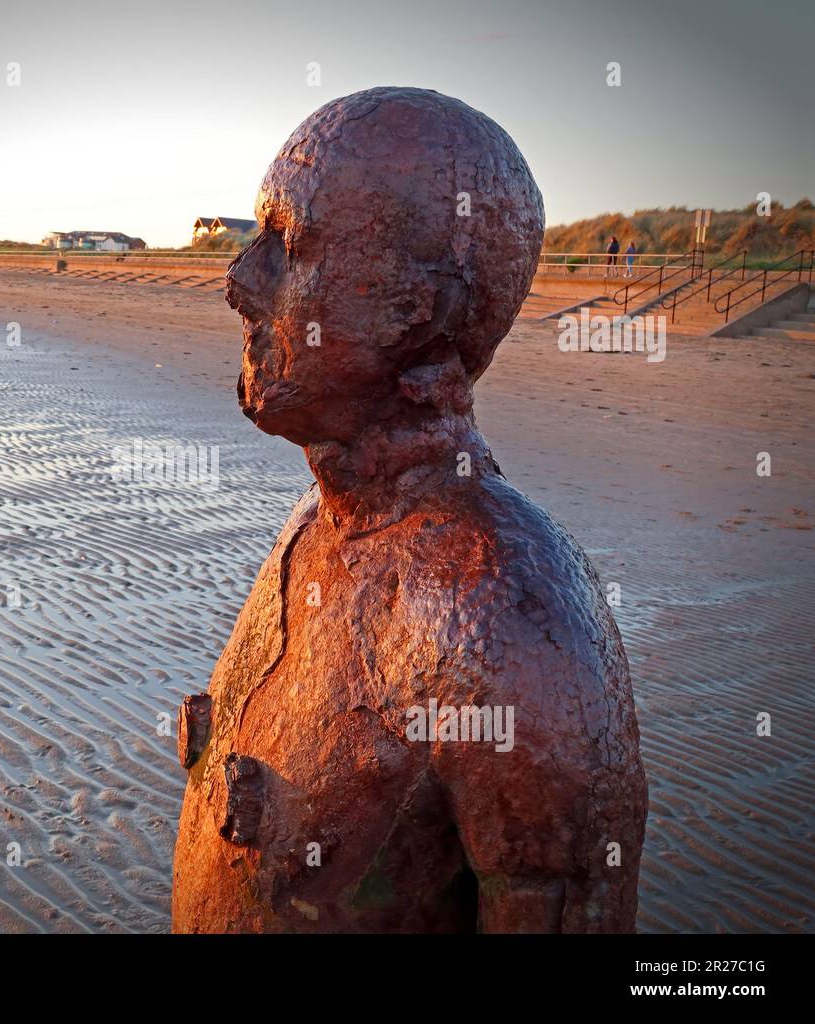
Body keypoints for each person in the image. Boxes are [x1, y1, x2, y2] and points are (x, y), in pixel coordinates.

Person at [171, 87, 647, 934]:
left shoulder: (502, 614)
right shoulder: (316, 527)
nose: (241, 282)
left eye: (291, 244)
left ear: (419, 309)